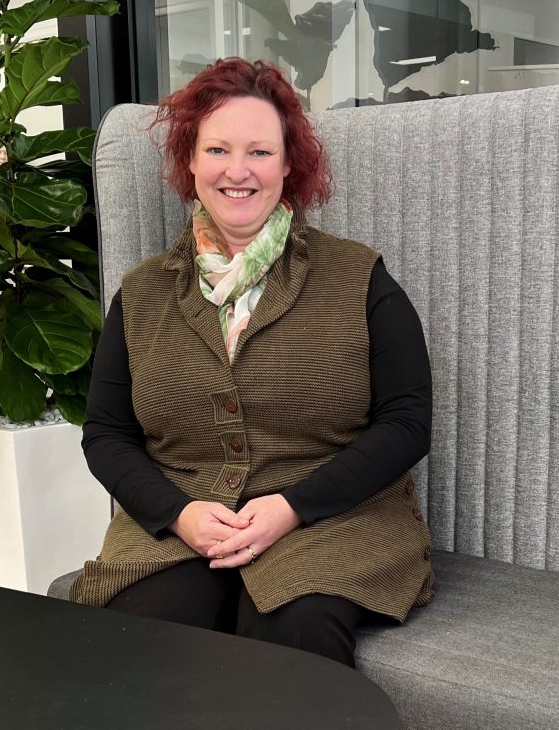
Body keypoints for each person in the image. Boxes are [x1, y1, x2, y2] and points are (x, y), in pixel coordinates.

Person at [70, 57, 433, 668]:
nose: (237, 171)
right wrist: (177, 514)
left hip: (333, 524)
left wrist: (294, 506)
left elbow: (407, 421)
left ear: (289, 165)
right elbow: (106, 434)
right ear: (190, 162)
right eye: (218, 149)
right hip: (185, 527)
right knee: (144, 637)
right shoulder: (142, 293)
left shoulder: (358, 277)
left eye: (260, 152)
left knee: (295, 631)